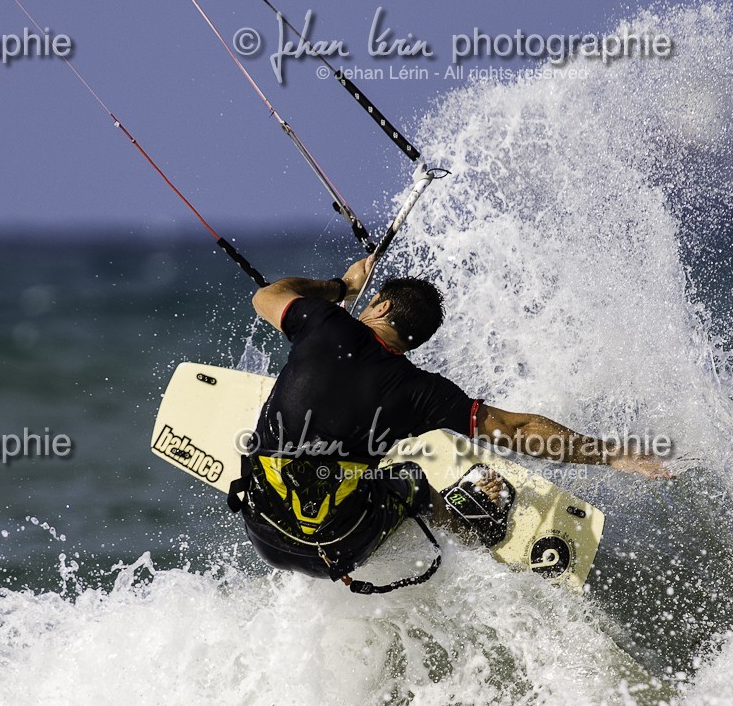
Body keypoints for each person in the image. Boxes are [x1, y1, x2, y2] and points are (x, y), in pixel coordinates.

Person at [229, 254, 671, 593]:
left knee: (297, 441)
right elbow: (516, 431)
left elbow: (265, 296)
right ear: (415, 339)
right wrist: (610, 454)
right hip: (342, 547)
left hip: (263, 531)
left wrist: (341, 286)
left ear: (380, 305)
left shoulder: (324, 323)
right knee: (412, 478)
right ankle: (473, 520)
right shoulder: (421, 391)